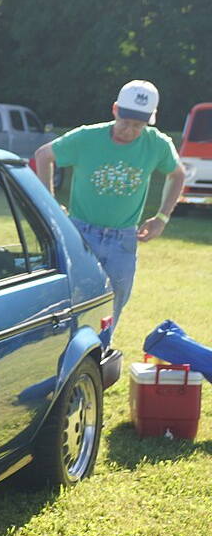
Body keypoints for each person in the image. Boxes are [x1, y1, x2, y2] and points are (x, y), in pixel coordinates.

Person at [34, 80, 185, 349]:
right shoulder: (86, 137)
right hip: (81, 234)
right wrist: (50, 204)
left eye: (139, 125)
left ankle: (99, 355)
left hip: (123, 240)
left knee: (114, 304)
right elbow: (44, 155)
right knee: (72, 298)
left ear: (151, 120)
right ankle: (62, 352)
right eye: (126, 121)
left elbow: (178, 174)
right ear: (115, 110)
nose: (130, 130)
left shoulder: (157, 144)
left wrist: (162, 218)